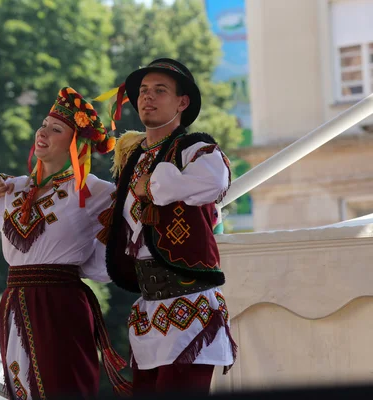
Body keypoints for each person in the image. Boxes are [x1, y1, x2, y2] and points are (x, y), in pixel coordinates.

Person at [0, 87, 130, 399]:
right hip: (16, 301)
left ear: (75, 145)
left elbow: (137, 214)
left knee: (64, 386)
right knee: (22, 387)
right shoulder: (10, 188)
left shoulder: (93, 191)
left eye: (55, 129)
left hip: (62, 303)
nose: (43, 132)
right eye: (43, 124)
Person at [95, 58, 237, 395]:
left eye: (160, 90)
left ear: (182, 102)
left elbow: (214, 180)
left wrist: (153, 185)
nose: (148, 97)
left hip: (190, 306)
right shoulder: (132, 160)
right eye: (143, 91)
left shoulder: (194, 149)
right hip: (149, 309)